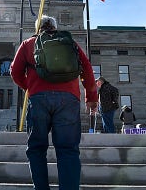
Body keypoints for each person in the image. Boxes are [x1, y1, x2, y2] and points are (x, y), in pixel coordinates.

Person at [11, 15, 98, 190]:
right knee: (68, 150)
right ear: (54, 27)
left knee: (36, 149)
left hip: (39, 99)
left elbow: (14, 71)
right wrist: (91, 97)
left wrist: (30, 87)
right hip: (69, 99)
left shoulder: (29, 43)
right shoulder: (70, 43)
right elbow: (87, 67)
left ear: (38, 28)